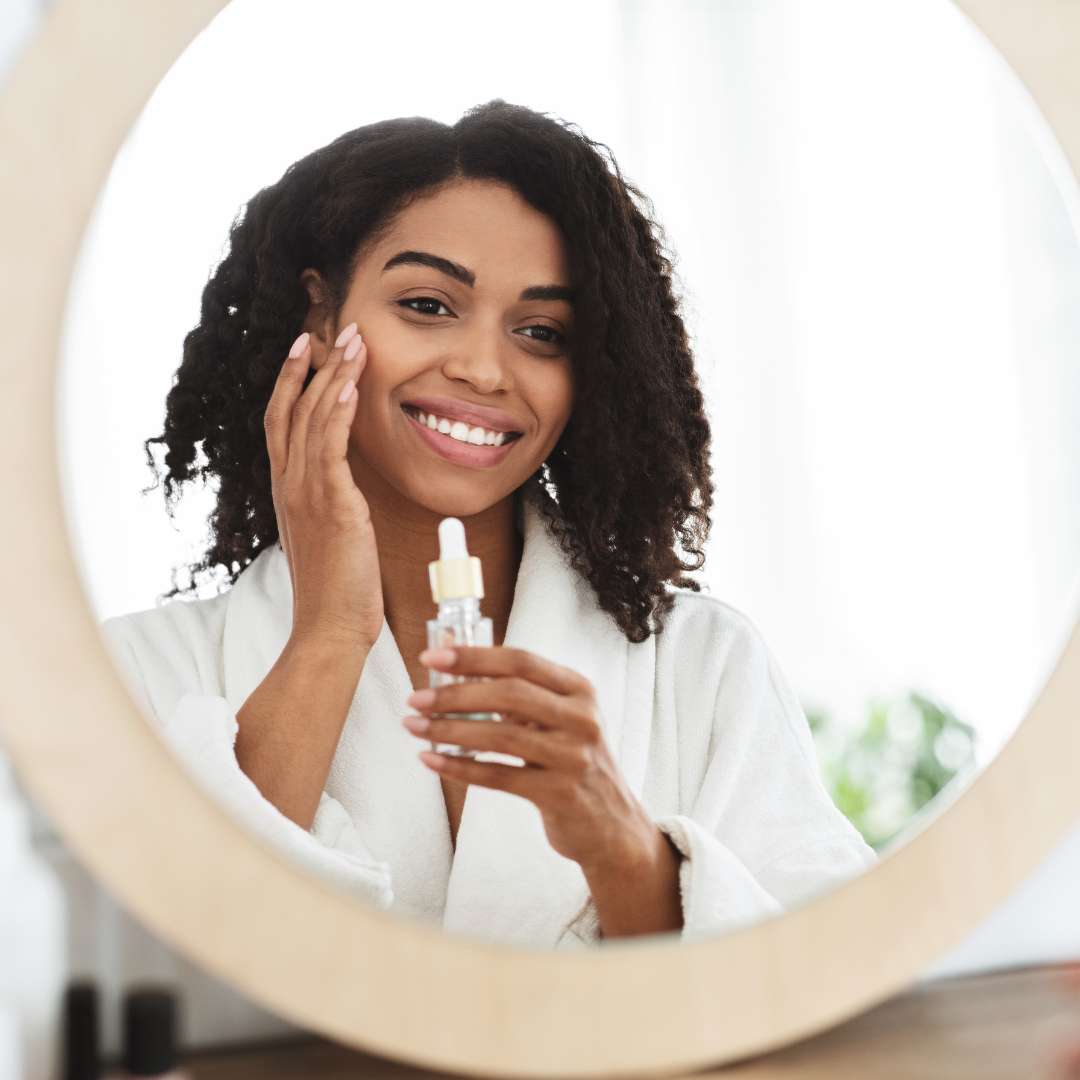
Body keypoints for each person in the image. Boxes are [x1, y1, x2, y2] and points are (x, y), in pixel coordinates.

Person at [101, 99, 877, 950]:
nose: (481, 368)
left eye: (541, 332)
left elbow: (824, 981)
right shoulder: (139, 675)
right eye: (428, 305)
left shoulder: (702, 668)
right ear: (321, 318)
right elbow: (155, 975)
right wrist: (328, 632)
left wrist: (623, 850)